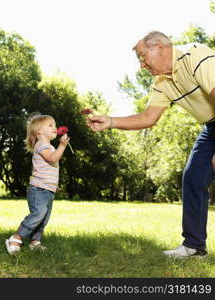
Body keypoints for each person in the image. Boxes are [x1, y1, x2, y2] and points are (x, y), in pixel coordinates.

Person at [87, 31, 215, 258]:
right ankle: (194, 247)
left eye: (142, 56)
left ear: (159, 47)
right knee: (194, 177)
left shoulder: (196, 56)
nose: (141, 65)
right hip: (210, 126)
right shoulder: (161, 82)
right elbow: (148, 118)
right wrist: (111, 122)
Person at [5, 113, 70, 255]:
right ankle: (15, 238)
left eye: (55, 125)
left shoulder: (49, 146)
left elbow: (50, 168)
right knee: (38, 214)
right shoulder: (41, 145)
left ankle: (35, 241)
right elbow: (52, 160)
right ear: (39, 131)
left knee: (43, 218)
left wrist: (54, 184)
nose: (55, 128)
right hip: (38, 189)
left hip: (48, 189)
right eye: (50, 125)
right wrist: (62, 146)